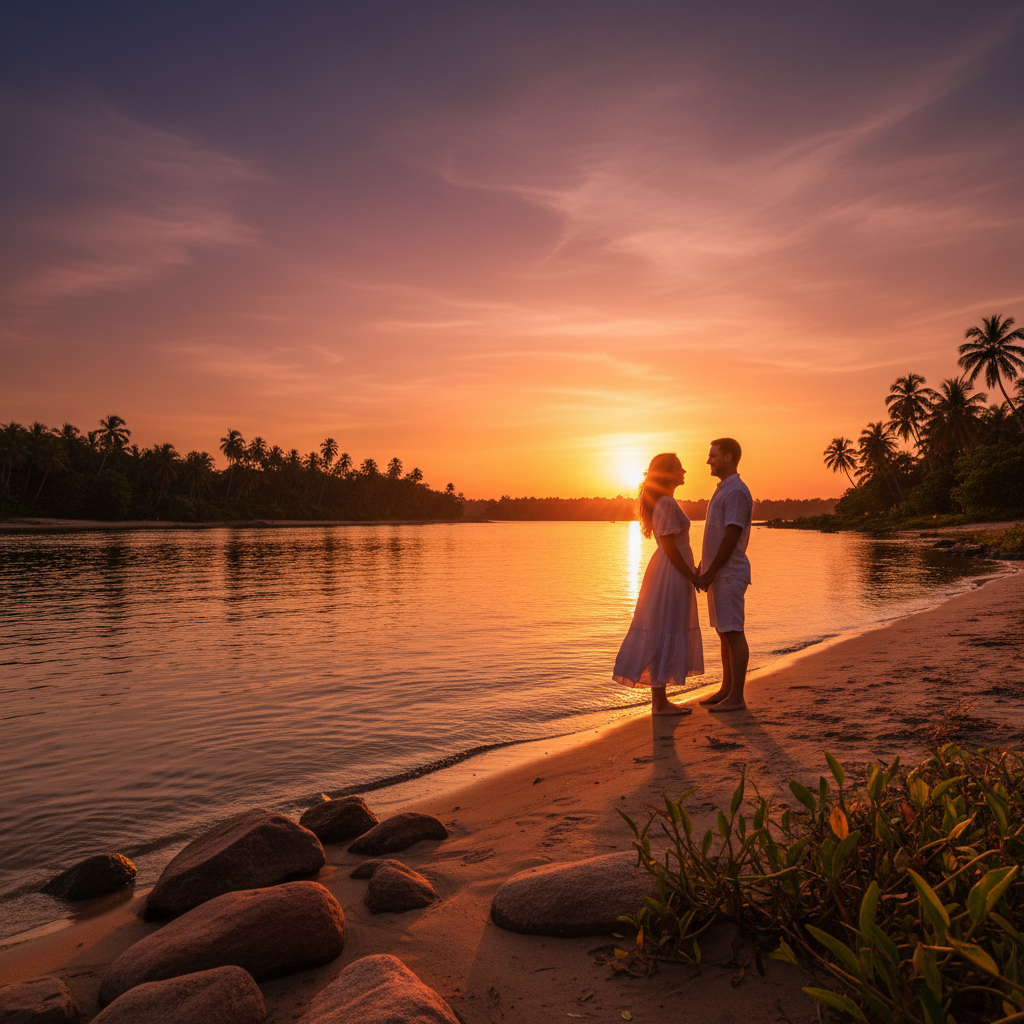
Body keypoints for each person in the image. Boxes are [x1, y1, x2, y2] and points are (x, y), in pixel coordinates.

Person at [613, 452, 704, 715]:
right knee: (664, 627)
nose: (684, 471)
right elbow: (669, 547)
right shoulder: (665, 502)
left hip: (673, 572)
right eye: (678, 467)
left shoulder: (666, 501)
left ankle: (660, 700)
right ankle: (659, 702)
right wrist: (692, 576)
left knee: (667, 627)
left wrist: (692, 571)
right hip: (671, 573)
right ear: (668, 473)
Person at [697, 438, 753, 712]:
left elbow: (731, 535)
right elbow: (716, 535)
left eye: (713, 455)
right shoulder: (723, 489)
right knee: (723, 632)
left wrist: (712, 570)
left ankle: (737, 697)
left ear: (728, 457)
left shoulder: (736, 492)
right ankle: (726, 689)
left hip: (729, 573)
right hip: (719, 572)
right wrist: (703, 565)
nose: (708, 461)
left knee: (733, 632)